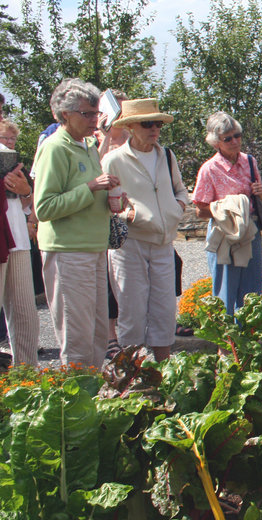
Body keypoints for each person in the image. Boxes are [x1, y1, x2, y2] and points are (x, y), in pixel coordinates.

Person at [32, 78, 121, 368]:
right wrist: (91, 188)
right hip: (68, 250)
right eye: (87, 114)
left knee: (96, 333)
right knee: (77, 334)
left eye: (96, 113)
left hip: (94, 247)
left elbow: (86, 193)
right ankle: (76, 403)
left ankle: (95, 398)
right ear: (64, 114)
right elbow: (44, 207)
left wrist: (108, 197)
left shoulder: (86, 146)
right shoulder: (55, 148)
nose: (94, 120)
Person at [102, 98, 189, 362]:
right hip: (130, 244)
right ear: (130, 126)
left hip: (164, 243)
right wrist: (129, 214)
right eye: (148, 123)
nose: (155, 129)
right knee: (132, 311)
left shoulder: (167, 156)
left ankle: (163, 376)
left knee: (164, 310)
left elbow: (181, 190)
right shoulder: (113, 160)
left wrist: (177, 209)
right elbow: (103, 205)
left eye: (159, 124)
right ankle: (134, 380)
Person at [193, 112, 262, 315]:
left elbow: (259, 199)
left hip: (250, 230)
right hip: (225, 234)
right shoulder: (209, 169)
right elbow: (200, 209)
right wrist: (227, 210)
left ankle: (250, 339)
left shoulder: (250, 162)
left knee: (252, 290)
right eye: (228, 138)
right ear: (216, 143)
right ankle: (226, 343)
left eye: (238, 135)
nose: (235, 141)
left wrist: (260, 194)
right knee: (225, 289)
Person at [94, 88, 130, 358]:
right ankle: (109, 335)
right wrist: (105, 136)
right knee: (108, 280)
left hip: (130, 212)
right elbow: (97, 167)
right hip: (105, 214)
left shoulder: (131, 135)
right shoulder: (97, 138)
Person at [0, 119, 39, 366]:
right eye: (5, 138)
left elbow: (28, 202)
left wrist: (25, 191)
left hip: (18, 239)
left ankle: (28, 376)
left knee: (26, 313)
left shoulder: (11, 160)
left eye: (12, 139)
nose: (9, 143)